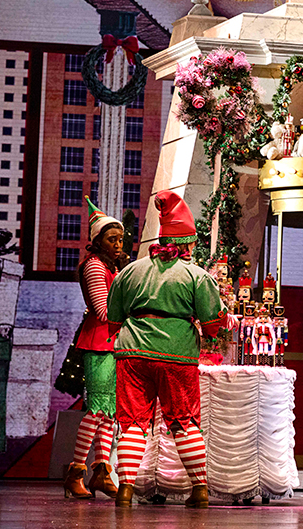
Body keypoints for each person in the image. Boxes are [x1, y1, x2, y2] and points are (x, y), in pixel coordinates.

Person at [107, 190, 228, 508]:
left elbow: (113, 318)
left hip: (133, 354)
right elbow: (212, 323)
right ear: (187, 244)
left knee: (132, 422)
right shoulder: (197, 276)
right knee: (184, 421)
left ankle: (125, 489)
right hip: (177, 355)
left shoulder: (130, 271)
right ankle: (199, 489)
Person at [63, 197, 128, 500]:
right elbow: (103, 311)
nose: (117, 244)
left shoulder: (112, 266)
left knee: (109, 413)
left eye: (120, 239)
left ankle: (101, 473)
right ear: (98, 240)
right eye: (111, 239)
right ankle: (75, 472)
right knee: (97, 410)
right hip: (99, 343)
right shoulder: (93, 266)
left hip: (113, 344)